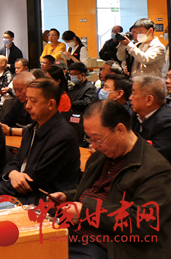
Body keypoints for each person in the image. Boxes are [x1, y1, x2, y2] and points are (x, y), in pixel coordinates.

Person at [51, 100, 171, 259]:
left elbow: (142, 223)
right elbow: (92, 192)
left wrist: (85, 211)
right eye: (89, 139)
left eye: (97, 139)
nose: (94, 146)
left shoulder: (155, 169)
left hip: (111, 245)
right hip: (74, 231)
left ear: (120, 130)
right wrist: (68, 197)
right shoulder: (102, 156)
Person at [0, 78, 80, 205]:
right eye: (27, 100)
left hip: (44, 201)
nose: (27, 106)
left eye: (33, 101)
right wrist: (12, 173)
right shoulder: (32, 129)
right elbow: (15, 162)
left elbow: (34, 180)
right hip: (21, 193)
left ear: (51, 104)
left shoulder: (63, 136)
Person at [130, 76, 171, 161]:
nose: (130, 98)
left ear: (149, 100)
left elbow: (152, 155)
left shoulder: (167, 122)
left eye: (134, 93)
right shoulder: (136, 115)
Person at [0, 72, 36, 137]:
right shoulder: (18, 103)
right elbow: (5, 121)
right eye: (15, 90)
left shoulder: (39, 106)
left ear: (31, 87)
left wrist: (10, 130)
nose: (17, 94)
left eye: (20, 90)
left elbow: (36, 130)